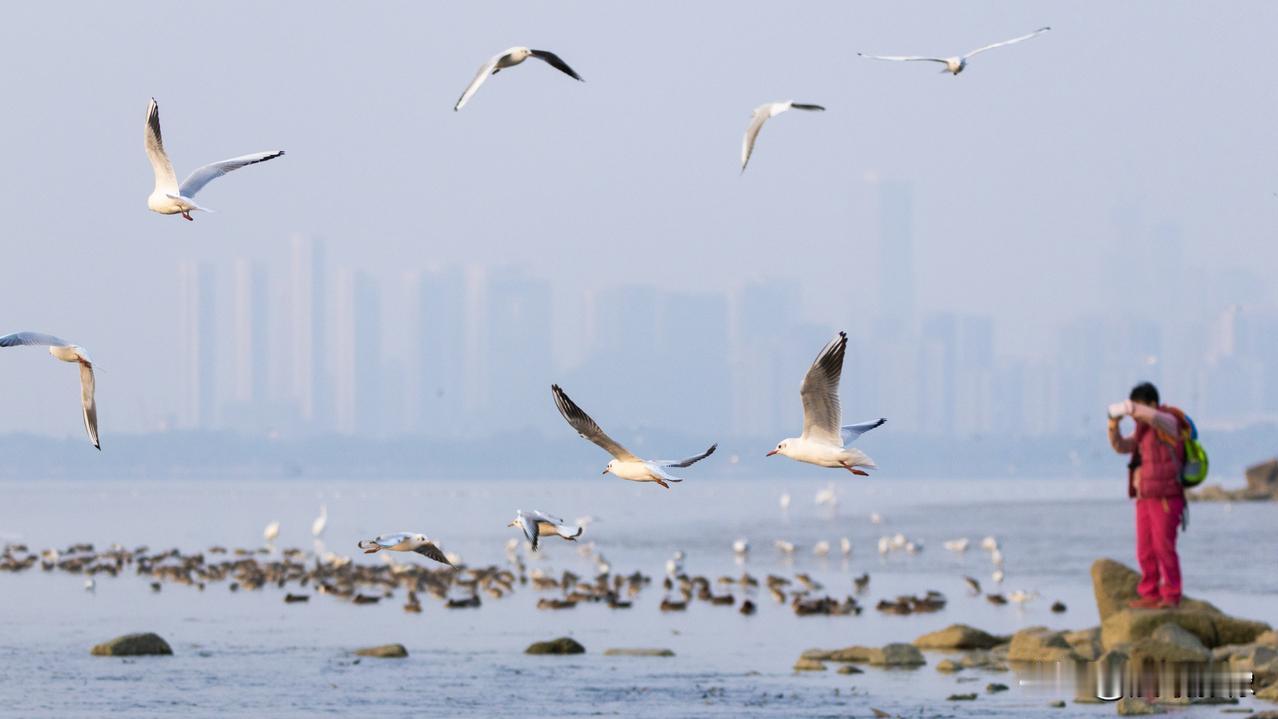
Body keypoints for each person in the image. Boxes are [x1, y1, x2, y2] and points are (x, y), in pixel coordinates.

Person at [1107, 382, 1187, 609]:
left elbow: (1148, 415)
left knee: (1164, 547)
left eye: (1139, 408)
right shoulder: (1141, 432)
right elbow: (1121, 446)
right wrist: (1112, 424)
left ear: (1153, 405)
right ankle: (1150, 593)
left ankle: (1172, 594)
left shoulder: (1169, 422)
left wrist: (1128, 407)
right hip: (1145, 496)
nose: (1135, 414)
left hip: (1167, 496)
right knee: (1145, 549)